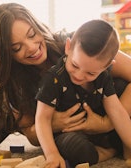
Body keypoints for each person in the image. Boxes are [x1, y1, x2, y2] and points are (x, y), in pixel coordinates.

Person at [0, 2, 131, 166]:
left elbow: (117, 107)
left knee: (119, 85)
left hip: (105, 111)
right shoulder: (21, 83)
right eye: (17, 48)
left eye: (32, 34)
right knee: (4, 121)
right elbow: (33, 136)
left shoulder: (77, 46)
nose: (32, 48)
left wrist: (106, 123)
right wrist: (52, 125)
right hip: (70, 131)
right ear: (6, 55)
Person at [35, 19, 131, 168]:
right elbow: (42, 119)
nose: (79, 75)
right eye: (75, 65)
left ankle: (116, 147)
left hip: (99, 131)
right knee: (78, 150)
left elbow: (117, 112)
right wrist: (51, 153)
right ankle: (108, 153)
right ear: (68, 47)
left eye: (91, 73)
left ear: (107, 66)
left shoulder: (104, 76)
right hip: (69, 133)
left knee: (124, 127)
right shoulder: (54, 78)